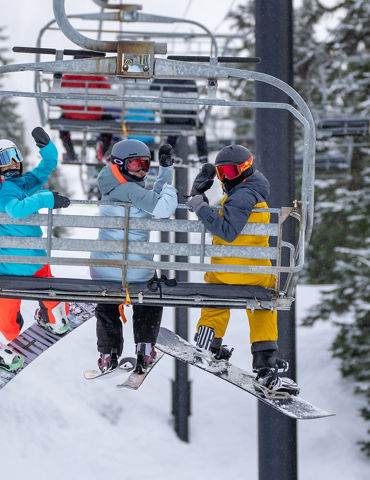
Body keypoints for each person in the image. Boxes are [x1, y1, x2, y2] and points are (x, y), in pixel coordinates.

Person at [185, 144, 299, 395]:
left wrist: (200, 206)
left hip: (226, 273)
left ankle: (208, 340)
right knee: (264, 303)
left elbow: (226, 231)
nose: (226, 178)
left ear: (245, 169)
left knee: (216, 290)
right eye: (222, 173)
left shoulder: (241, 195)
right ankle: (264, 362)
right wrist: (202, 203)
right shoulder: (254, 191)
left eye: (230, 172)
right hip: (256, 276)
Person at [0, 127, 76, 369]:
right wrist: (46, 199)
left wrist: (45, 146)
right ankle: (48, 319)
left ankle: (47, 320)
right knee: (14, 309)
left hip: (16, 267)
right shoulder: (2, 189)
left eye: (14, 156)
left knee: (11, 308)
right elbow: (16, 209)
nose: (12, 163)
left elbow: (46, 166)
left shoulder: (22, 184)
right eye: (4, 159)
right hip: (12, 267)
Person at [89, 140, 178, 374]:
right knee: (149, 298)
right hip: (137, 271)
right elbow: (162, 208)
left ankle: (108, 354)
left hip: (103, 270)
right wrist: (171, 189)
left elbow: (150, 196)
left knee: (107, 305)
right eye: (135, 164)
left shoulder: (114, 185)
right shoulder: (131, 190)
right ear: (120, 164)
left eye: (146, 165)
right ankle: (146, 347)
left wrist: (166, 169)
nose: (141, 170)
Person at [57, 73, 114, 163]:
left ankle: (70, 151)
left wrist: (67, 106)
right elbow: (109, 94)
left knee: (61, 124)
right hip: (94, 115)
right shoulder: (98, 77)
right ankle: (103, 148)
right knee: (110, 121)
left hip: (71, 115)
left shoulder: (66, 78)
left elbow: (56, 99)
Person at [151, 78, 209, 163]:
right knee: (200, 129)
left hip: (169, 117)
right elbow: (194, 97)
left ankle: (169, 153)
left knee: (172, 131)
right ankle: (202, 156)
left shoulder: (163, 79)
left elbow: (152, 89)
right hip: (187, 118)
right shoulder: (191, 81)